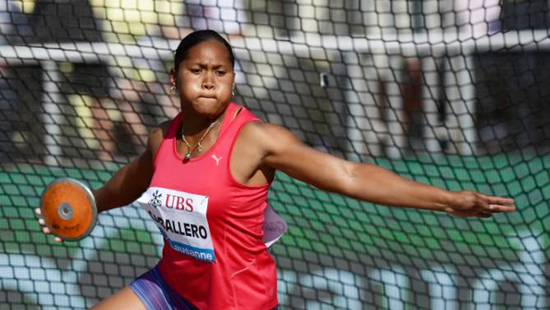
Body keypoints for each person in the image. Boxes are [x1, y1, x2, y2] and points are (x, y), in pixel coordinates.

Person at [35, 30, 516, 310]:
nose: (208, 79)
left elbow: (350, 175)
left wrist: (449, 200)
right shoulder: (162, 138)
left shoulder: (256, 140)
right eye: (196, 69)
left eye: (220, 71)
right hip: (171, 288)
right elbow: (134, 178)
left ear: (233, 78)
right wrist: (92, 200)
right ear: (174, 76)